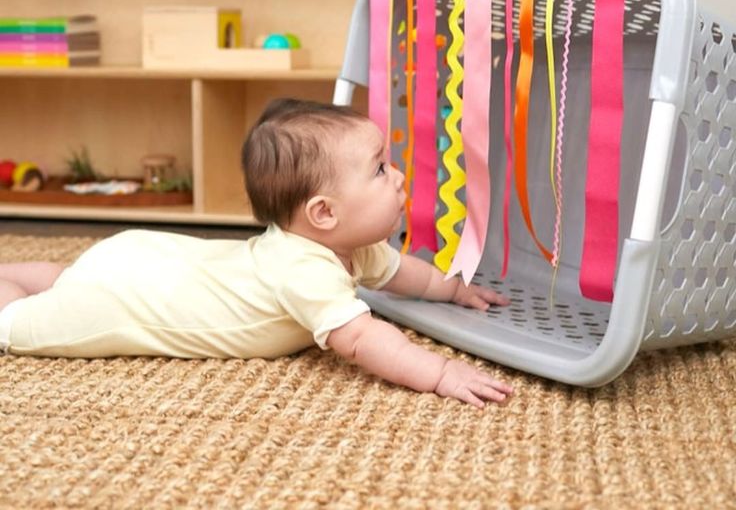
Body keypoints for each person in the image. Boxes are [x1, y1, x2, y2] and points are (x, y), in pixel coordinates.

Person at [0, 98, 514, 408]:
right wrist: (442, 374)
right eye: (381, 169)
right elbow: (364, 341)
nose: (398, 175)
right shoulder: (303, 270)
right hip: (125, 301)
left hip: (144, 256)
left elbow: (405, 275)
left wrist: (453, 289)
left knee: (66, 273)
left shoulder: (350, 248)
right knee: (17, 319)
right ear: (324, 213)